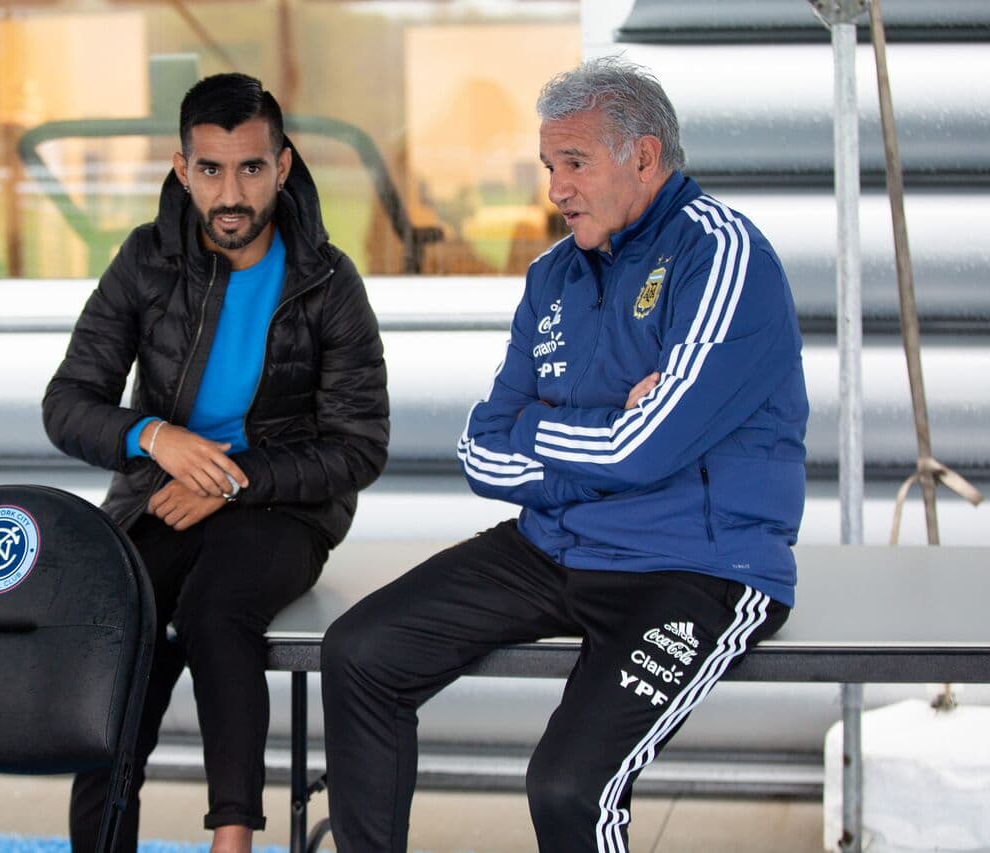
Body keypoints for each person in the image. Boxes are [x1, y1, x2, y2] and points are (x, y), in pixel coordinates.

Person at [321, 56, 808, 852]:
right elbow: (480, 450)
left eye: (574, 163)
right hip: (555, 545)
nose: (555, 189)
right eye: (549, 166)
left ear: (643, 157)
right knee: (360, 652)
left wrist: (546, 431)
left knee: (569, 788)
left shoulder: (722, 256)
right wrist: (600, 433)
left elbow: (644, 447)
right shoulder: (553, 275)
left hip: (698, 567)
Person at [42, 72, 389, 853]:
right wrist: (154, 438)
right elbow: (66, 403)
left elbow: (359, 446)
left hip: (284, 509)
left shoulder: (328, 281)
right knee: (122, 629)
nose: (231, 194)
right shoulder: (146, 261)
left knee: (214, 611)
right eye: (210, 169)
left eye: (251, 168)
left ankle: (233, 838)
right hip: (160, 498)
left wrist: (232, 480)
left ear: (283, 166)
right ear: (182, 168)